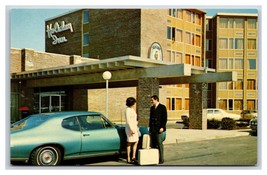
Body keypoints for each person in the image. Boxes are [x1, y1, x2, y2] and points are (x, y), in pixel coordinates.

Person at [149, 95, 167, 164]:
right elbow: (150, 120)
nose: (151, 102)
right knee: (153, 144)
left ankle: (161, 159)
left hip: (159, 129)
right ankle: (154, 158)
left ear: (156, 100)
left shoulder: (162, 107)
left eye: (152, 100)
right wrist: (150, 129)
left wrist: (162, 127)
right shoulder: (152, 108)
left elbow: (164, 118)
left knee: (159, 143)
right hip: (153, 129)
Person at [124, 97, 139, 164]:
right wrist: (131, 129)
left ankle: (133, 156)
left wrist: (136, 123)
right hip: (130, 128)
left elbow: (134, 119)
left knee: (136, 141)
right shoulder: (128, 110)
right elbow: (128, 120)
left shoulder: (132, 109)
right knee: (129, 142)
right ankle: (128, 158)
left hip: (134, 127)